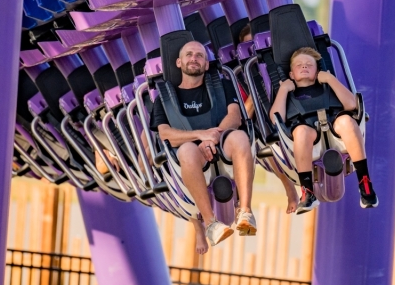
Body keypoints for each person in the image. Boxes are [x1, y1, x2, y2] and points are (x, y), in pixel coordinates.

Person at [149, 40, 257, 248]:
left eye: (199, 56)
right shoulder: (164, 98)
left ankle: (245, 211)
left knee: (240, 137)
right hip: (191, 152)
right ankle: (210, 223)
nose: (194, 59)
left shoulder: (223, 84)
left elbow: (234, 117)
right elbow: (165, 134)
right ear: (179, 62)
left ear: (207, 64)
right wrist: (200, 136)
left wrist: (213, 137)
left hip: (223, 143)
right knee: (188, 150)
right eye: (189, 55)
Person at [270, 47, 378, 214]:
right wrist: (284, 89)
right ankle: (308, 192)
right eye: (299, 65)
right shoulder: (287, 92)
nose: (304, 66)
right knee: (301, 132)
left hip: (334, 128)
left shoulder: (328, 86)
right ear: (291, 74)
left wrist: (330, 79)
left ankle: (365, 183)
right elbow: (275, 118)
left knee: (347, 121)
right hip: (306, 134)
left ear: (317, 71)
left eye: (309, 64)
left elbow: (351, 105)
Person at [236, 26, 299, 215]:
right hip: (263, 124)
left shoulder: (284, 65)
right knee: (266, 141)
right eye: (250, 47)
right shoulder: (241, 76)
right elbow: (243, 116)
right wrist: (256, 92)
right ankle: (289, 188)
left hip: (292, 112)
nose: (256, 52)